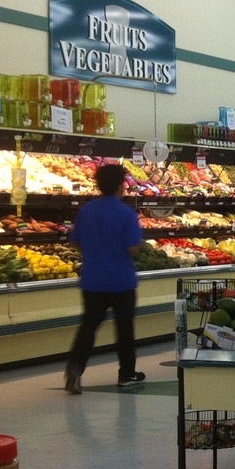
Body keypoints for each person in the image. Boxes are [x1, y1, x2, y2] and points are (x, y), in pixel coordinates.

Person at [63, 164, 144, 394]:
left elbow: (75, 241)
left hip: (93, 279)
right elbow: (134, 247)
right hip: (121, 280)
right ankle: (126, 374)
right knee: (124, 329)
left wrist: (94, 251)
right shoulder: (126, 213)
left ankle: (75, 368)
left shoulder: (87, 211)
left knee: (89, 326)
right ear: (120, 185)